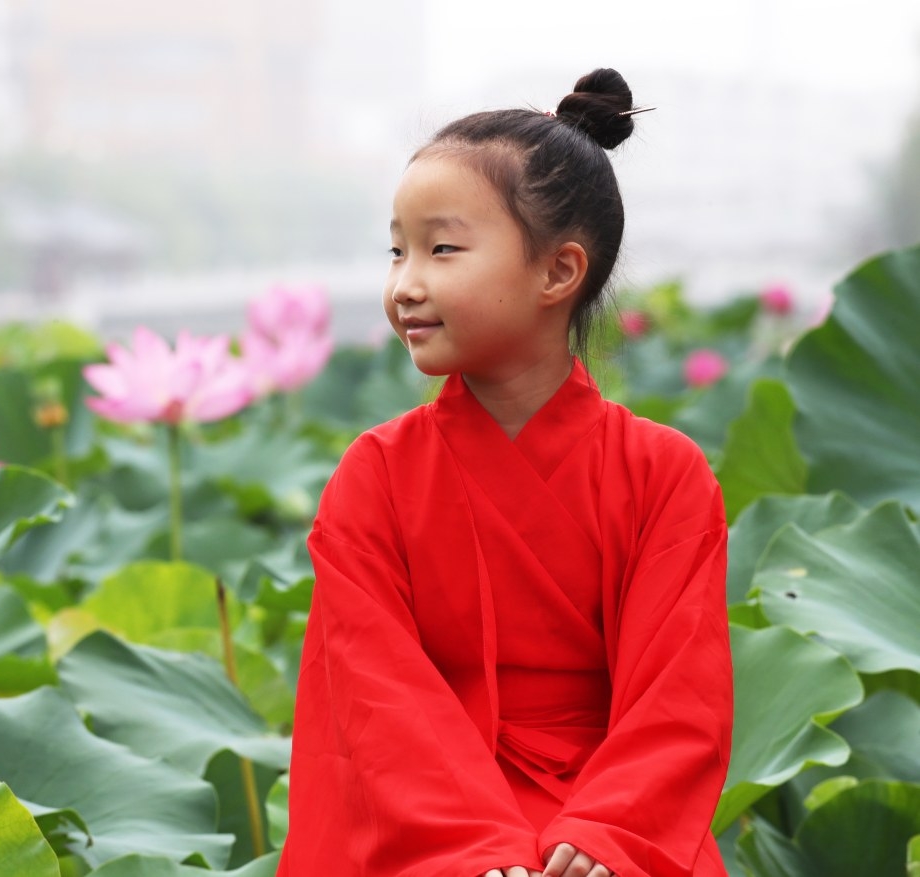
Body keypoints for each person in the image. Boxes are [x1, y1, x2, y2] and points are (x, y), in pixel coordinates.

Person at [277, 69, 733, 877]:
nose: (404, 285)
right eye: (397, 250)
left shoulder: (665, 475)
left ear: (558, 272)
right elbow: (379, 702)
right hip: (430, 834)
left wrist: (604, 833)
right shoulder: (374, 476)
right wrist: (474, 850)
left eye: (442, 249)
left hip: (614, 838)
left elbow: (679, 698)